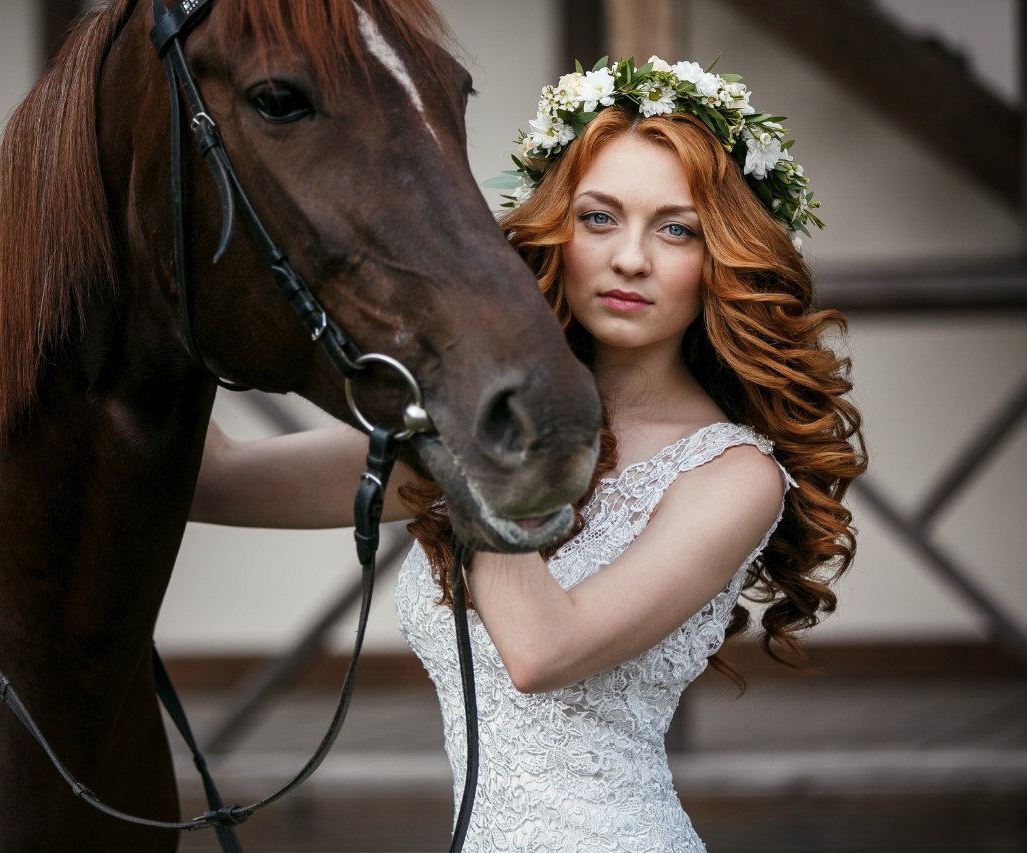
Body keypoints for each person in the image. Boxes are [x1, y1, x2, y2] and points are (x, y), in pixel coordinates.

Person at [191, 56, 865, 851]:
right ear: (558, 229)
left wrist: (479, 405)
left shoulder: (732, 475)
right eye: (599, 217)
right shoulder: (467, 430)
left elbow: (542, 651)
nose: (631, 259)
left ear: (719, 258)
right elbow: (219, 480)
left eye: (675, 228)